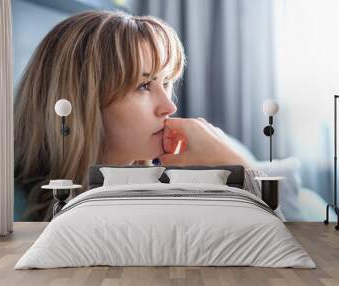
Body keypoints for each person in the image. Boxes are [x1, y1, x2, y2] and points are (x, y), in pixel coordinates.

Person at [14, 10, 259, 222]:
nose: (169, 107)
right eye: (143, 86)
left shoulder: (170, 192)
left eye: (166, 83)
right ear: (82, 98)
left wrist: (239, 170)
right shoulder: (10, 206)